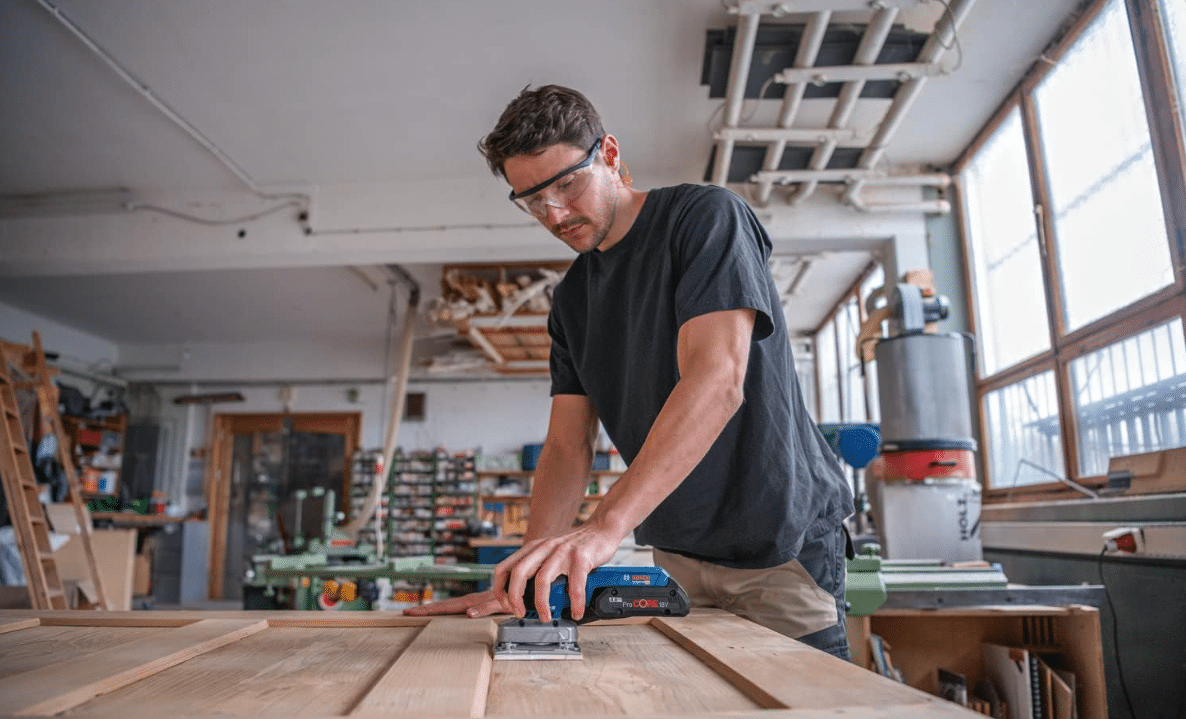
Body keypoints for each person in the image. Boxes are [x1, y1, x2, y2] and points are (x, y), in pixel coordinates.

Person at [405, 84, 855, 659]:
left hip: (779, 543)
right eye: (532, 201)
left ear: (610, 154)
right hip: (680, 553)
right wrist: (533, 575)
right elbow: (568, 447)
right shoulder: (572, 300)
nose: (555, 213)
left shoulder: (704, 219)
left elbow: (716, 381)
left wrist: (602, 529)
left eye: (566, 185)